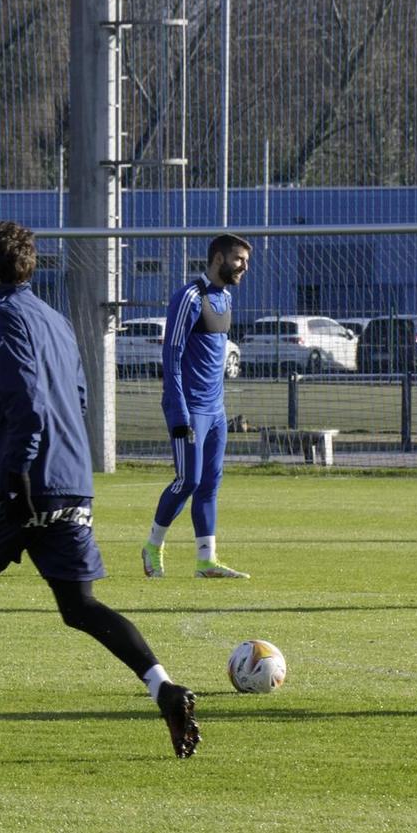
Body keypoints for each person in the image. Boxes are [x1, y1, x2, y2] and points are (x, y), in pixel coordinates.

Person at [0, 221, 199, 760]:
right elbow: (71, 396)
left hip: (22, 488)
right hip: (72, 480)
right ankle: (163, 687)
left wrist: (16, 467)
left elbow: (27, 398)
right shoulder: (55, 319)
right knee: (79, 606)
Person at [143, 233, 253, 579]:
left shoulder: (226, 298)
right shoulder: (189, 297)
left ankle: (206, 560)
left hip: (216, 410)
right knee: (187, 480)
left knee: (209, 484)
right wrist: (178, 411)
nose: (244, 267)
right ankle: (152, 546)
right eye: (239, 260)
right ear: (219, 258)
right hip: (188, 408)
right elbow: (171, 356)